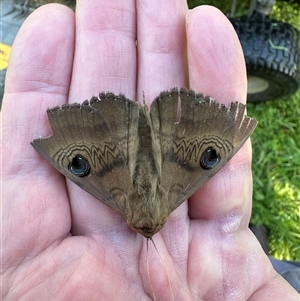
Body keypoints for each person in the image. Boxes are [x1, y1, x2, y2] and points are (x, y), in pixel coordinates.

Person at [2, 1, 298, 300]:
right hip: (155, 131)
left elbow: (76, 157)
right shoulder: (132, 201)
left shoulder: (160, 199)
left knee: (80, 165)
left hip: (125, 129)